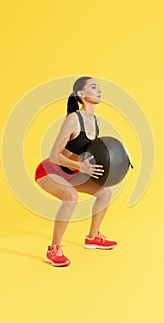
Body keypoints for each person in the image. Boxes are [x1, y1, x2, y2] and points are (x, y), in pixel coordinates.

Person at [35, 76, 117, 267]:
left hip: (71, 172)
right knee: (71, 197)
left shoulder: (95, 121)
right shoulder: (73, 119)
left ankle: (93, 237)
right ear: (81, 94)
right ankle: (54, 249)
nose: (99, 90)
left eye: (99, 87)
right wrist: (81, 166)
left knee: (105, 192)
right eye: (94, 87)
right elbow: (54, 155)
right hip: (50, 170)